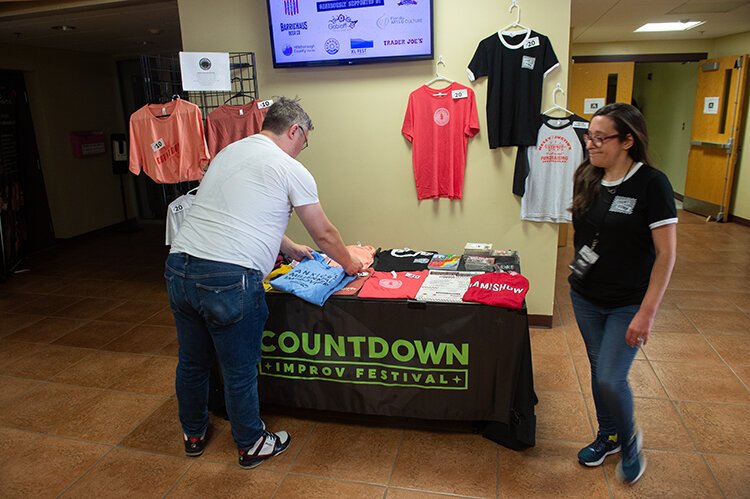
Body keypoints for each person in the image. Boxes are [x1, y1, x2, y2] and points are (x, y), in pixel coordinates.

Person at [165, 97, 363, 469]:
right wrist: (350, 264)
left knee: (192, 362)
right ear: (295, 130)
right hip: (228, 279)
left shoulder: (229, 153)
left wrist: (287, 247)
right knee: (239, 369)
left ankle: (193, 433)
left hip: (180, 267)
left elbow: (233, 212)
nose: (302, 150)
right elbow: (324, 233)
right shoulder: (288, 167)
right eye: (304, 142)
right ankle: (252, 443)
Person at [568, 103, 677, 484]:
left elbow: (665, 254)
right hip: (585, 296)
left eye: (601, 138)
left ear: (627, 140)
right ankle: (608, 436)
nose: (591, 144)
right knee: (600, 373)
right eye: (589, 137)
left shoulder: (652, 184)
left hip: (628, 301)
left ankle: (630, 441)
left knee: (611, 378)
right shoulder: (587, 175)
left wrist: (646, 313)